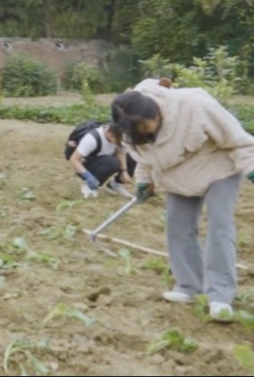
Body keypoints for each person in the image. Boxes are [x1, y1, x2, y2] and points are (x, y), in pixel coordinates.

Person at [113, 78, 254, 321]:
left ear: (156, 111)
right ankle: (189, 286)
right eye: (139, 134)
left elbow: (237, 139)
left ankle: (220, 296)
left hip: (218, 167)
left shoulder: (195, 107)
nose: (145, 135)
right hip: (177, 175)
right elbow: (145, 158)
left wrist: (250, 166)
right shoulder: (129, 129)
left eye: (147, 128)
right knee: (178, 226)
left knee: (219, 226)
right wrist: (144, 180)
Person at [65, 121, 136, 199]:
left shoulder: (119, 136)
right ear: (110, 135)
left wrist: (124, 171)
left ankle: (115, 185)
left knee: (133, 157)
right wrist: (87, 175)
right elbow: (74, 159)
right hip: (86, 166)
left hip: (104, 159)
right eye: (119, 141)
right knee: (111, 162)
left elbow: (121, 151)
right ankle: (90, 186)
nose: (122, 142)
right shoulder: (91, 139)